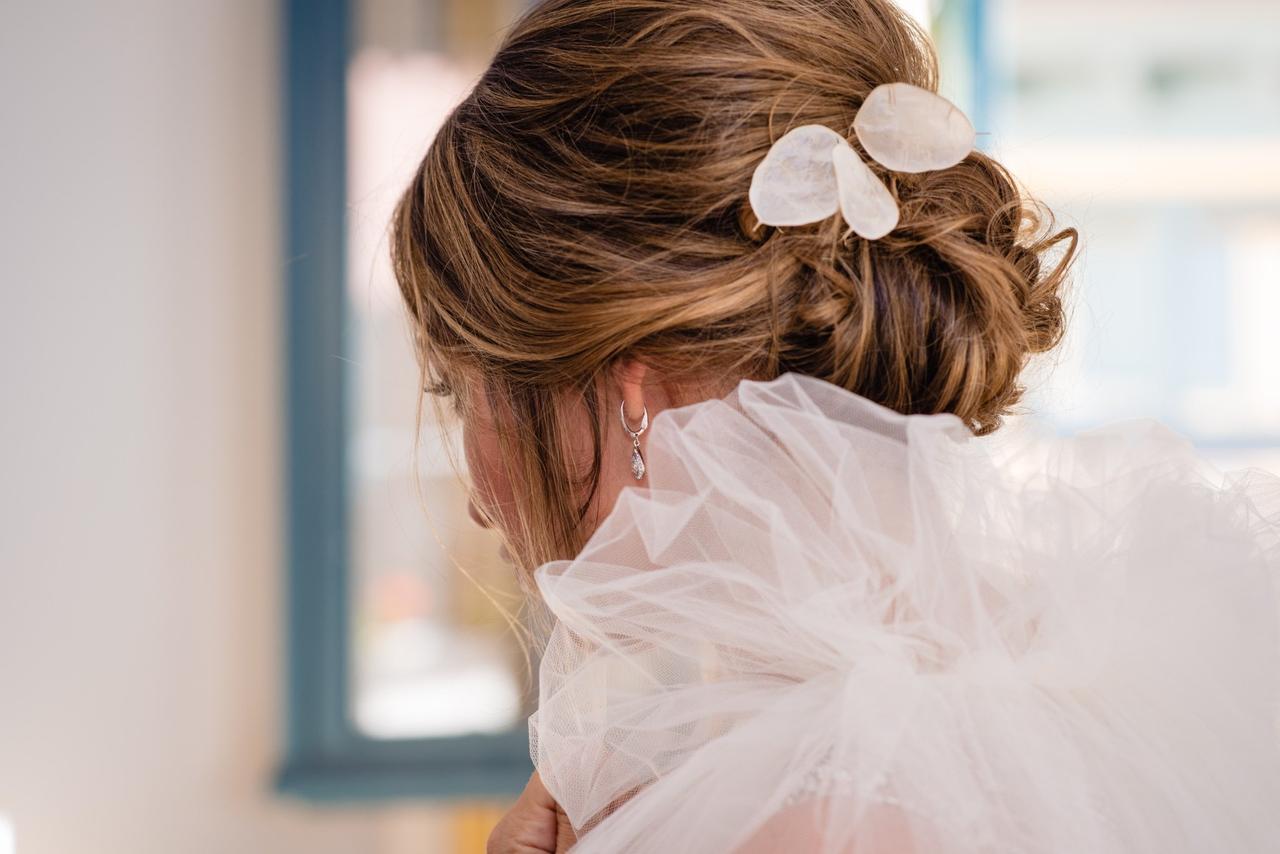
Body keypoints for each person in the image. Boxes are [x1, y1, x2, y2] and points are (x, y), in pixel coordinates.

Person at [390, 0, 1280, 850]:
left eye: (460, 392)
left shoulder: (798, 817)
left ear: (632, 390)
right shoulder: (1124, 684)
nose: (473, 497)